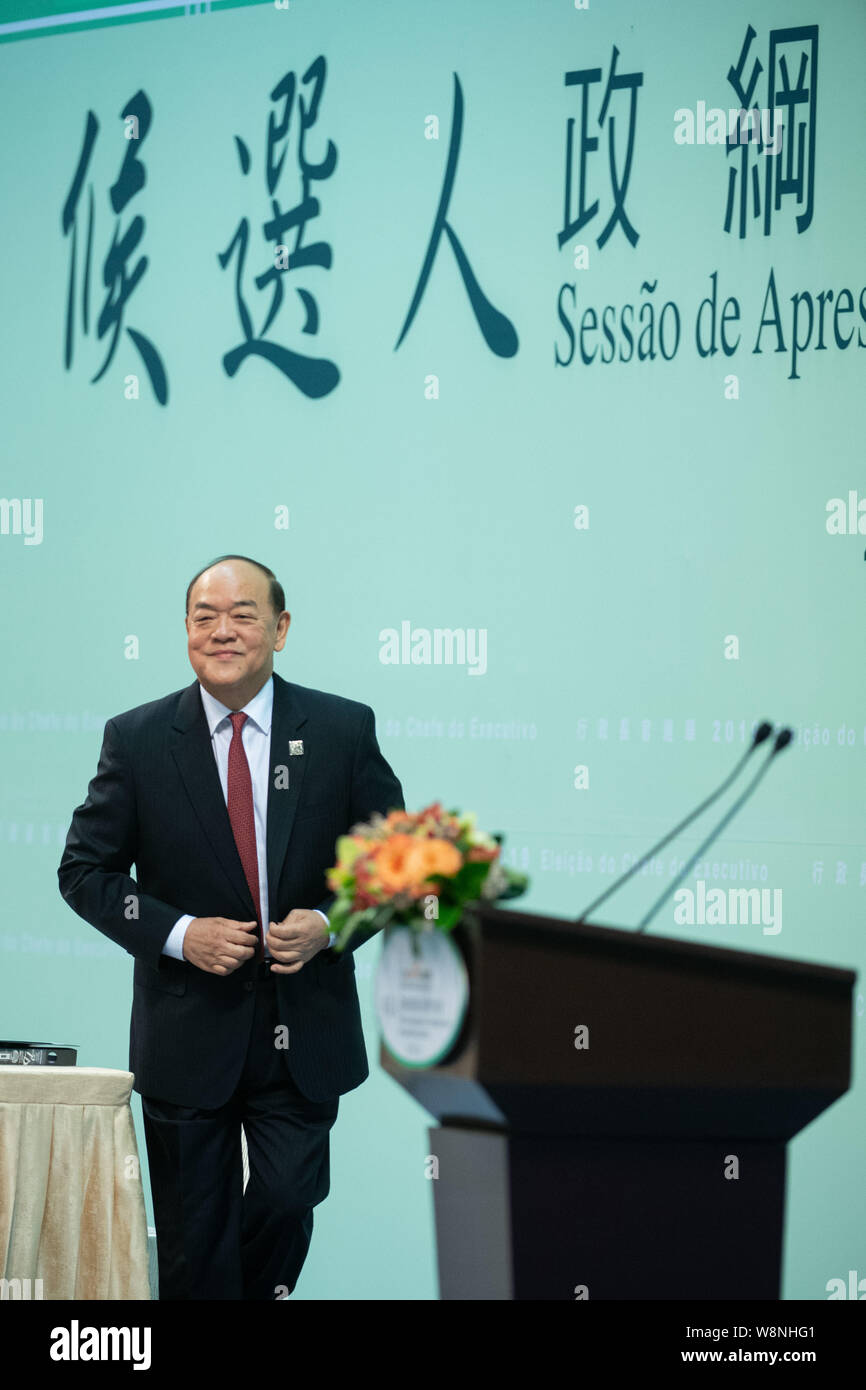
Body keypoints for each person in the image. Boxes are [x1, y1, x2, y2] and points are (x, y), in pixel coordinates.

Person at [58, 554, 404, 1300]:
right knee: (193, 1245)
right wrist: (182, 934)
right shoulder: (139, 738)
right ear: (186, 631)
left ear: (279, 629)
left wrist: (328, 922)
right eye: (204, 617)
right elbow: (85, 874)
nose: (222, 631)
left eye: (242, 615)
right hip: (187, 1034)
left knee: (284, 1202)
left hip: (301, 1030)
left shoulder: (342, 729)